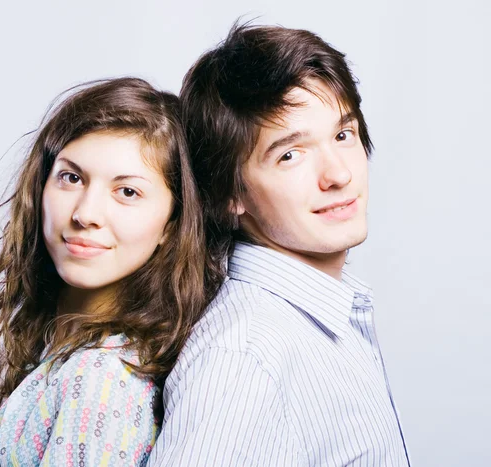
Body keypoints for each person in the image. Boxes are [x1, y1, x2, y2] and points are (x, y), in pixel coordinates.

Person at [147, 23, 411, 466]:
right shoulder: (244, 358)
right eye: (291, 154)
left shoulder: (315, 320)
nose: (339, 175)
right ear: (229, 194)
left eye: (343, 135)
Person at [0, 78, 209, 467]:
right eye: (71, 178)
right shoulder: (74, 352)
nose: (85, 214)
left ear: (172, 225)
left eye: (128, 192)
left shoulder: (99, 377)